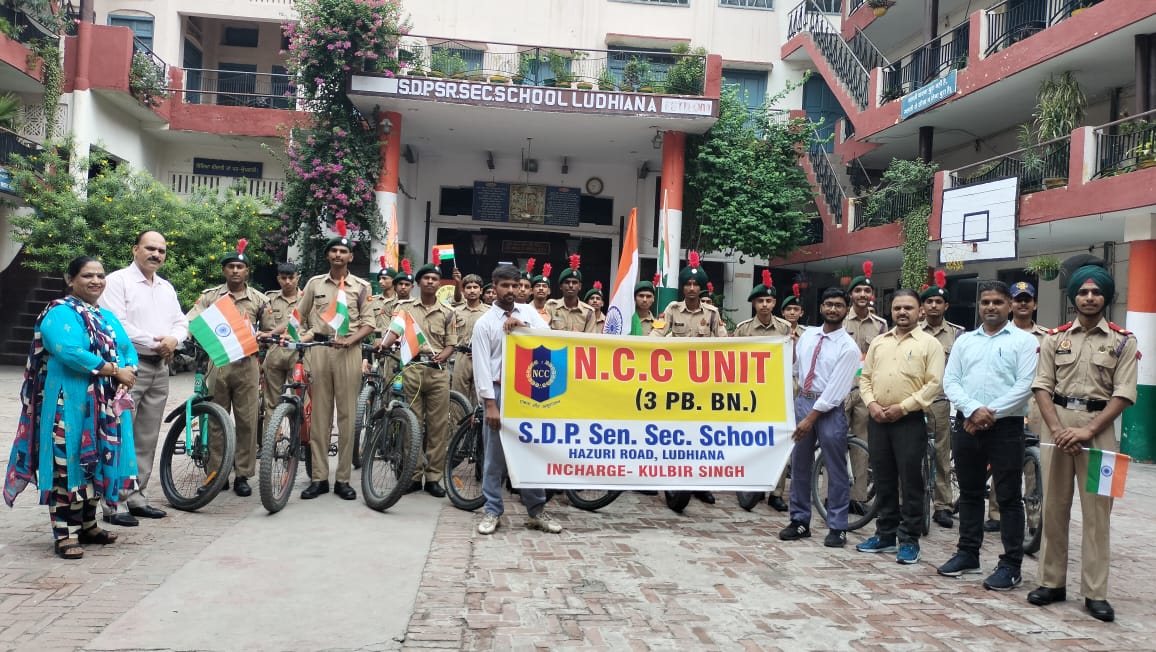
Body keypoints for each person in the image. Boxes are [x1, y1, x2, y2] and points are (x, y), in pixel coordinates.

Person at [3, 257, 139, 559]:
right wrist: (115, 370)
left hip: (104, 405)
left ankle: (88, 525)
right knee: (67, 464)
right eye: (88, 275)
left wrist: (127, 375)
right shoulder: (58, 313)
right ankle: (64, 533)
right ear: (71, 279)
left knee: (98, 461)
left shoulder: (105, 316)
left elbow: (128, 349)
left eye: (100, 275)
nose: (96, 281)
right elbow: (70, 353)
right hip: (69, 401)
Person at [1027, 265, 1138, 623]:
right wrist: (1059, 428)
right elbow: (1042, 386)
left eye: (1096, 293)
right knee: (1054, 507)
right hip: (1056, 430)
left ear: (1106, 297)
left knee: (1097, 514)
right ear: (1073, 297)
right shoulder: (1054, 338)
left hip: (1101, 433)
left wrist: (1087, 431)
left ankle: (1095, 592)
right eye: (1083, 293)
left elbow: (1123, 394)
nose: (1089, 298)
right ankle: (1050, 582)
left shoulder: (1123, 340)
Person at [936, 280, 1038, 590]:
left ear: (1009, 305)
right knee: (968, 493)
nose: (990, 307)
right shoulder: (965, 341)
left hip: (1006, 428)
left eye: (997, 301)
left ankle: (1011, 565)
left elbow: (1025, 385)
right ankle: (968, 554)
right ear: (979, 306)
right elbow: (950, 381)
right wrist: (972, 410)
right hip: (967, 424)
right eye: (985, 302)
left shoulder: (1024, 342)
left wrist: (986, 413)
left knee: (1007, 498)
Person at [99, 230, 188, 526]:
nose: (156, 255)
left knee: (147, 436)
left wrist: (173, 340)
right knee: (120, 433)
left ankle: (137, 497)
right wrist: (156, 341)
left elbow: (180, 321)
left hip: (160, 368)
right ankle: (113, 503)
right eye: (150, 248)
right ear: (135, 249)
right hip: (128, 368)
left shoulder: (165, 287)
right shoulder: (117, 281)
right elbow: (117, 324)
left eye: (161, 250)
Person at [855, 289, 944, 563]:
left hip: (909, 420)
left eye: (908, 308)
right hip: (878, 419)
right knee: (883, 479)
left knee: (911, 481)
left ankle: (909, 539)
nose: (902, 313)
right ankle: (885, 535)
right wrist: (870, 404)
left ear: (920, 312)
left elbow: (934, 384)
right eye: (897, 308)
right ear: (890, 311)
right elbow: (865, 377)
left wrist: (902, 407)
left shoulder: (930, 344)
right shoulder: (880, 342)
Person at [473, 264, 563, 536]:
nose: (511, 291)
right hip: (499, 393)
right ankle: (492, 510)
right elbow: (482, 367)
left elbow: (550, 340)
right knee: (494, 456)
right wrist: (490, 403)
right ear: (494, 287)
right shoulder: (484, 323)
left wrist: (524, 328)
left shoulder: (529, 313)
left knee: (529, 449)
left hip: (528, 392)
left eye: (515, 286)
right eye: (505, 286)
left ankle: (536, 510)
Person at [186, 240, 274, 497]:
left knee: (247, 421)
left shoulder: (258, 299)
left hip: (247, 365)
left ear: (247, 271)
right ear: (224, 271)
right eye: (231, 266)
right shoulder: (211, 296)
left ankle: (243, 475)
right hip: (218, 364)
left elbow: (268, 329)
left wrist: (262, 336)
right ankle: (217, 473)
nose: (235, 271)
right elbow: (192, 319)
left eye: (240, 267)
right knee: (216, 420)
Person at [296, 220, 375, 500]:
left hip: (348, 353)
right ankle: (319, 478)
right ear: (328, 255)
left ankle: (343, 479)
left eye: (344, 251)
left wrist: (350, 340)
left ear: (351, 257)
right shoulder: (314, 283)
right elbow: (299, 315)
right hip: (319, 350)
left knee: (346, 417)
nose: (339, 255)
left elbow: (369, 323)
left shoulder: (362, 287)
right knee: (319, 417)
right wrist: (304, 338)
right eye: (334, 251)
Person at [778, 287, 860, 546]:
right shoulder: (808, 336)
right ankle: (800, 521)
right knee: (799, 465)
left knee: (835, 469)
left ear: (846, 310)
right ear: (821, 307)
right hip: (803, 400)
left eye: (838, 305)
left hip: (829, 410)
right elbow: (795, 370)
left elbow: (836, 389)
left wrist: (810, 418)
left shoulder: (849, 347)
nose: (832, 309)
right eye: (828, 304)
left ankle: (838, 526)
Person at [377, 257, 458, 497]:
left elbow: (451, 344)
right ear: (418, 283)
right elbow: (394, 331)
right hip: (411, 371)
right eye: (426, 279)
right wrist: (383, 345)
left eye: (434, 279)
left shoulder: (448, 312)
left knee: (437, 427)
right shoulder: (406, 309)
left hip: (437, 374)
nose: (430, 282)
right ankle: (412, 475)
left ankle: (433, 477)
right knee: (411, 424)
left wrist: (443, 356)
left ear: (438, 283)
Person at [651, 252, 727, 505]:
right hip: (675, 381)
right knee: (674, 431)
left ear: (702, 287)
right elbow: (656, 336)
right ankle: (669, 478)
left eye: (696, 285)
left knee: (702, 434)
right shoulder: (672, 310)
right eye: (688, 284)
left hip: (704, 385)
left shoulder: (713, 314)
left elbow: (727, 345)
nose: (692, 288)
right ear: (682, 287)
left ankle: (701, 484)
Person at [986, 281, 1050, 532]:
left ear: (1034, 304)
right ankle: (996, 513)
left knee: (1034, 466)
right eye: (1017, 299)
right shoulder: (995, 334)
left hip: (1037, 406)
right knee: (1000, 463)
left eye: (1027, 298)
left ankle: (1034, 519)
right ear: (1010, 304)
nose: (1023, 303)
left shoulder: (1048, 338)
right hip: (1005, 406)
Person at [918, 270, 967, 529]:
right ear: (922, 306)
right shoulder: (913, 331)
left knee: (941, 456)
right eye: (929, 302)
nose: (934, 305)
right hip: (914, 402)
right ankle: (912, 502)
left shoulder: (959, 335)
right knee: (912, 454)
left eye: (938, 302)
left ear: (946, 306)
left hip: (940, 402)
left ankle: (943, 506)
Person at [843, 261, 888, 513]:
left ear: (871, 295)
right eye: (858, 290)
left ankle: (858, 497)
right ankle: (833, 494)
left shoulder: (880, 325)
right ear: (851, 294)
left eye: (866, 291)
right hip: (840, 389)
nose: (862, 295)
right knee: (836, 443)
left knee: (862, 444)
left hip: (865, 392)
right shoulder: (839, 319)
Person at [263, 263, 301, 422]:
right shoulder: (269, 299)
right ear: (278, 279)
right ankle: (268, 444)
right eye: (283, 278)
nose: (287, 282)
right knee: (271, 403)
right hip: (275, 353)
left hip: (298, 353)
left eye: (291, 277)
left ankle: (298, 443)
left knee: (300, 400)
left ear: (297, 277)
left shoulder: (307, 298)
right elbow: (263, 327)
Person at [451, 274, 487, 403]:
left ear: (481, 291)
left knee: (479, 396)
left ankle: (477, 423)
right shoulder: (456, 312)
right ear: (463, 291)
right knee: (458, 396)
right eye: (468, 287)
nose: (472, 290)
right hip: (461, 356)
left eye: (475, 287)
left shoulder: (489, 312)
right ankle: (457, 424)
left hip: (481, 357)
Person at [548, 255, 599, 333]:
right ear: (561, 286)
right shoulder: (550, 307)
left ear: (580, 286)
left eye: (574, 282)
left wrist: (578, 337)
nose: (571, 285)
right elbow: (542, 333)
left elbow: (590, 341)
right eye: (567, 282)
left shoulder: (589, 312)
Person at [733, 270, 792, 337]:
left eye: (768, 301)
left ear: (774, 303)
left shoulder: (784, 328)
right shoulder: (743, 329)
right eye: (760, 301)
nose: (764, 304)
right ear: (753, 303)